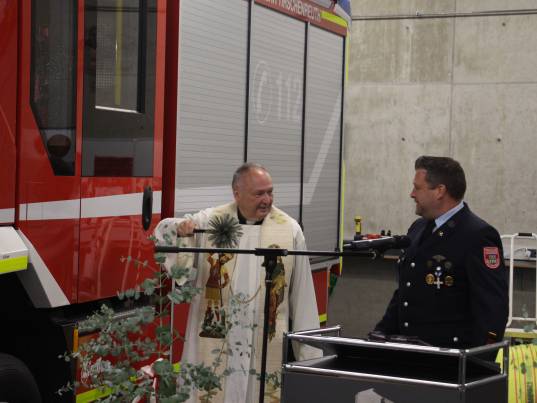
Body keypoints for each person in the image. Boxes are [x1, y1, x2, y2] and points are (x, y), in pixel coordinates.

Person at [155, 162, 320, 403]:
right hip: (218, 336)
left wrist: (310, 360)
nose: (267, 200)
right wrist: (180, 228)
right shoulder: (211, 222)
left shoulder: (289, 230)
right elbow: (164, 231)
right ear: (237, 193)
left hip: (263, 339)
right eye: (259, 194)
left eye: (270, 192)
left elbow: (303, 297)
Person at [373, 156, 508, 349]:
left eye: (417, 188)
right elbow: (406, 291)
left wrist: (480, 357)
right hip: (410, 352)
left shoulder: (477, 235)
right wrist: (380, 334)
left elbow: (492, 307)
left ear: (439, 191)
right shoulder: (418, 228)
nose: (412, 194)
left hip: (448, 356)